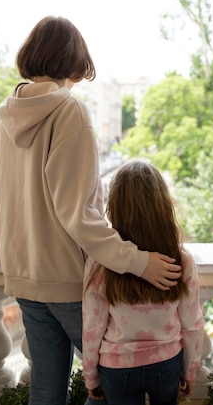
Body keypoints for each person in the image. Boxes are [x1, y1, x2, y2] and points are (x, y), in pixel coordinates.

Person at [0, 16, 182, 405]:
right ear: (72, 62)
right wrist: (139, 262)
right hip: (69, 282)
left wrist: (2, 252)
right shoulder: (69, 112)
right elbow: (79, 213)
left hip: (24, 279)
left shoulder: (6, 114)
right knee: (110, 384)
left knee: (45, 389)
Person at [82, 161, 204, 405]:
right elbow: (192, 323)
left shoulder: (101, 263)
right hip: (167, 362)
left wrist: (91, 378)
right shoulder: (182, 260)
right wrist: (191, 371)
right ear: (163, 206)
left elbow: (92, 327)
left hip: (117, 366)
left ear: (115, 208)